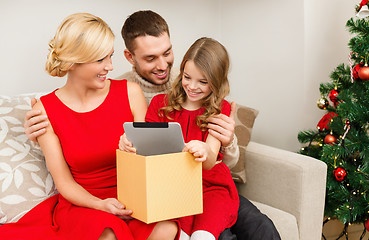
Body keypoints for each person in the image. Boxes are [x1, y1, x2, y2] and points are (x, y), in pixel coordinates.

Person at [24, 10, 280, 240]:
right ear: (131, 57)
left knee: (261, 227)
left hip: (198, 183)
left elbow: (213, 155)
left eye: (167, 53)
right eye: (150, 58)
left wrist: (229, 141)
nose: (163, 65)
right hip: (146, 190)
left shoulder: (190, 82)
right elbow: (143, 147)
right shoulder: (132, 92)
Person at [0, 13, 179, 240]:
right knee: (108, 234)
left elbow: (149, 160)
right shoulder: (44, 110)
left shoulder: (130, 92)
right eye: (100, 60)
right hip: (84, 204)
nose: (110, 66)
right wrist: (100, 205)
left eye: (110, 57)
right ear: (73, 62)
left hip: (134, 199)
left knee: (166, 228)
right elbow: (63, 182)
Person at [120, 37, 239, 240]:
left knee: (203, 236)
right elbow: (147, 151)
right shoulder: (160, 103)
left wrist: (204, 150)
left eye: (203, 82)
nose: (192, 86)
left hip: (210, 188)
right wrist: (129, 143)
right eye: (187, 77)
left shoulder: (221, 108)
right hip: (172, 187)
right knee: (179, 234)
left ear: (217, 82)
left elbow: (210, 161)